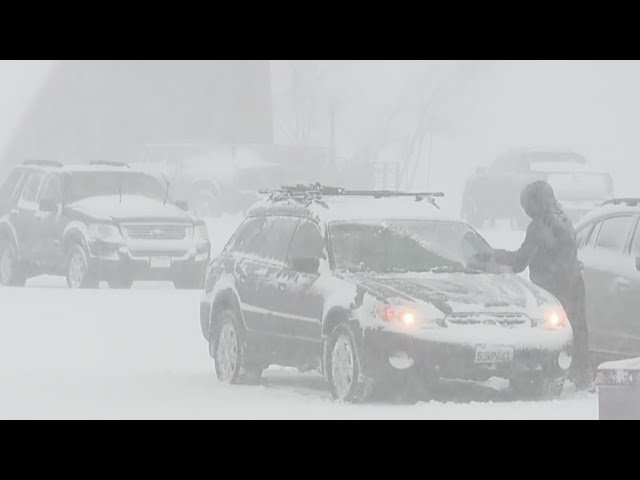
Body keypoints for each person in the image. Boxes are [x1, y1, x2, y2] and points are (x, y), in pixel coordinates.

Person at [476, 180, 592, 390]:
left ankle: (549, 373)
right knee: (577, 330)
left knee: (549, 334)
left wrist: (493, 255)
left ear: (535, 203)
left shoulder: (540, 226)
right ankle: (582, 374)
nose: (526, 210)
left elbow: (520, 261)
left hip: (551, 288)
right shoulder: (564, 219)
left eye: (526, 205)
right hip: (574, 283)